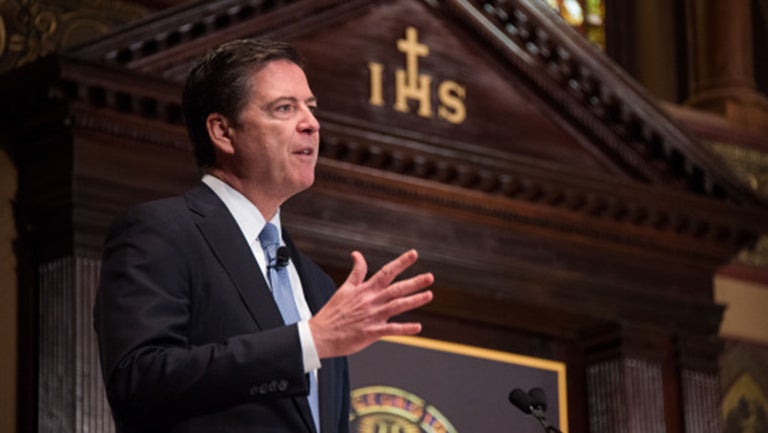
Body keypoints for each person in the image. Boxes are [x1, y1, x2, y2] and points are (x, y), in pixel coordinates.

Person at [93, 38, 434, 433]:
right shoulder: (163, 232)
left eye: (311, 107)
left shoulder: (319, 286)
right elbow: (139, 380)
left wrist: (315, 338)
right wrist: (307, 342)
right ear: (223, 131)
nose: (311, 123)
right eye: (284, 108)